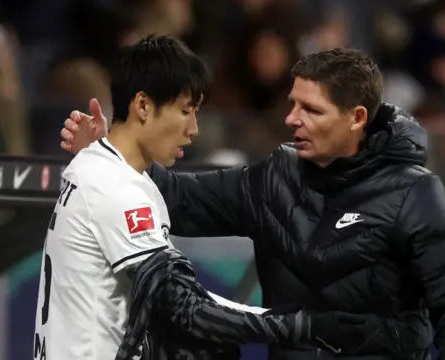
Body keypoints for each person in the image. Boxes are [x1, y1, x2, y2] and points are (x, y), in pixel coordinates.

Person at [61, 47, 445, 359]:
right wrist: (115, 148)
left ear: (357, 118)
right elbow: (176, 198)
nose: (291, 119)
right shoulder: (275, 178)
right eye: (292, 104)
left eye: (311, 109)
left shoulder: (415, 194)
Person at [36, 35, 366, 360]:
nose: (194, 128)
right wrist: (298, 325)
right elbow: (184, 306)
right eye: (184, 111)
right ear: (143, 105)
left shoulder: (109, 172)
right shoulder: (114, 185)